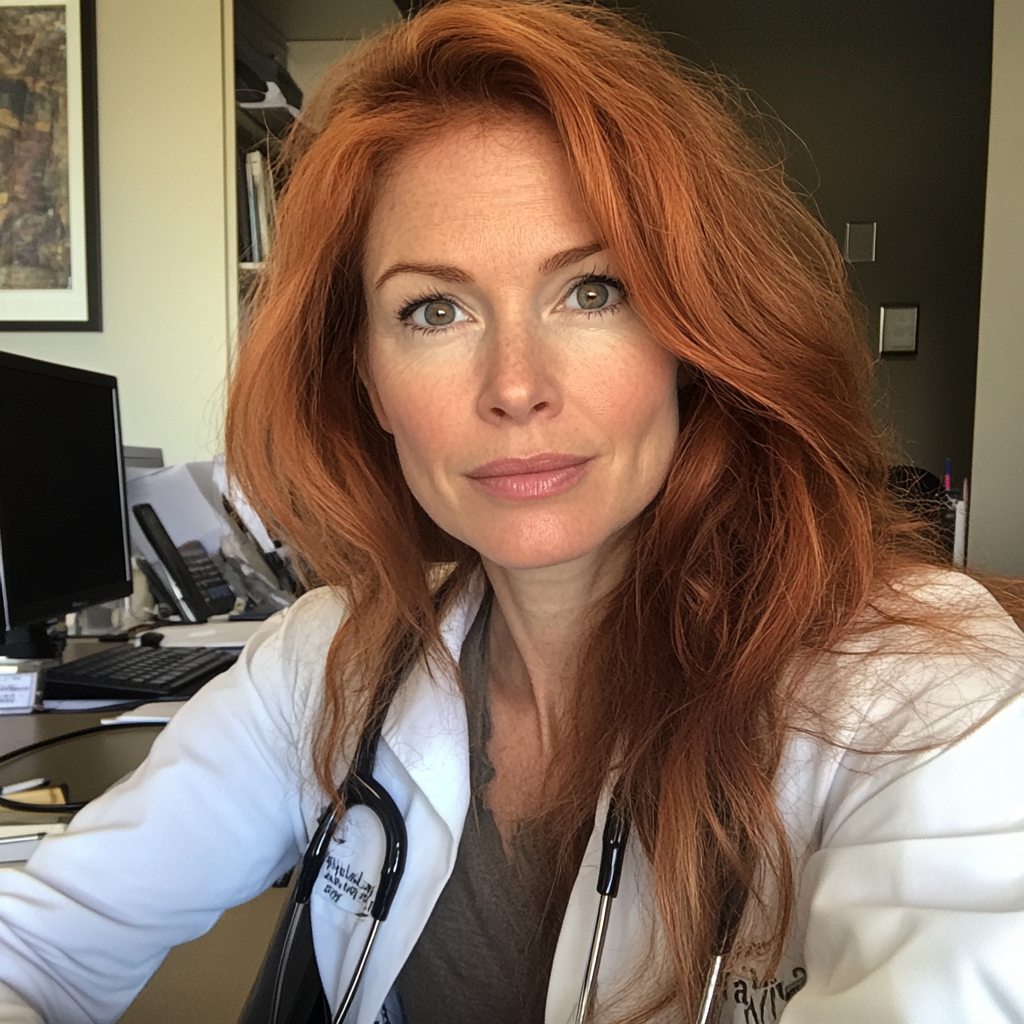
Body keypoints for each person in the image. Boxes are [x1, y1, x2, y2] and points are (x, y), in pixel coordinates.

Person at [1, 2, 1023, 1022]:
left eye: (593, 290)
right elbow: (34, 940)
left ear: (692, 336)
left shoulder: (922, 694)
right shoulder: (328, 665)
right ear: (364, 375)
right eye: (432, 310)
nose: (516, 385)